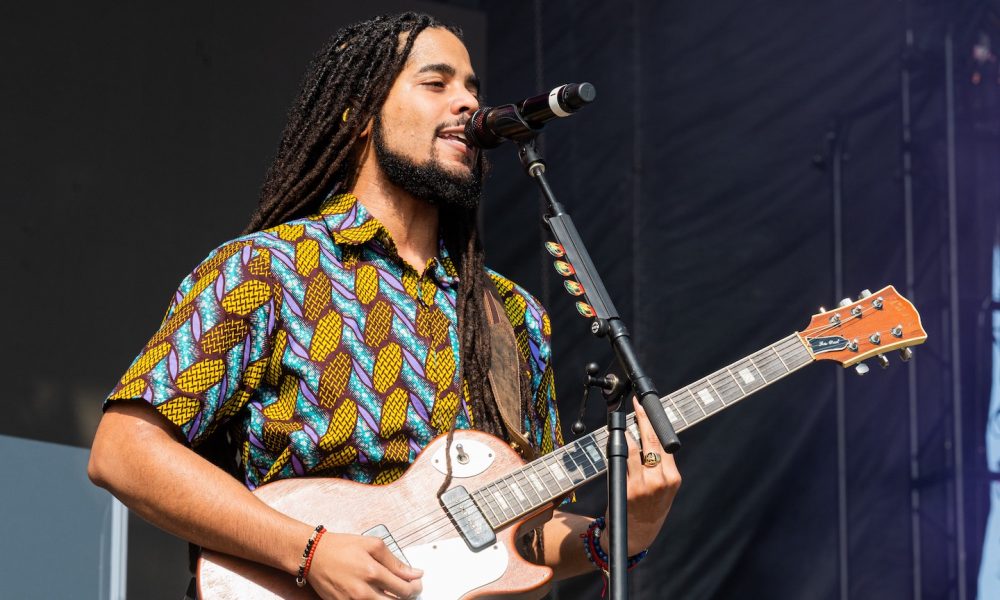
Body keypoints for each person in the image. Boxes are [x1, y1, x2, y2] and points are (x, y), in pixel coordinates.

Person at [88, 12, 680, 599]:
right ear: (358, 116)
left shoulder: (512, 314)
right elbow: (123, 452)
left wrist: (623, 534)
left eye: (473, 88)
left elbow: (527, 531)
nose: (467, 104)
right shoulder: (269, 272)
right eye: (436, 83)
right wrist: (309, 551)